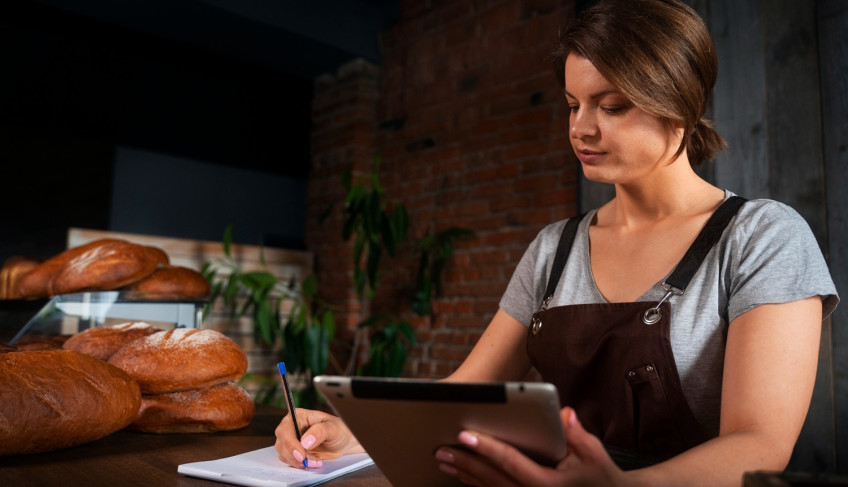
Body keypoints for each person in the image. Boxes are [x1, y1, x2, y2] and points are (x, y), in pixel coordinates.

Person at [274, 0, 839, 484]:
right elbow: (464, 391)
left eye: (611, 106)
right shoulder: (555, 248)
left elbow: (760, 443)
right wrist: (352, 430)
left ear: (680, 103)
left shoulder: (762, 237)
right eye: (573, 104)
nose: (580, 128)